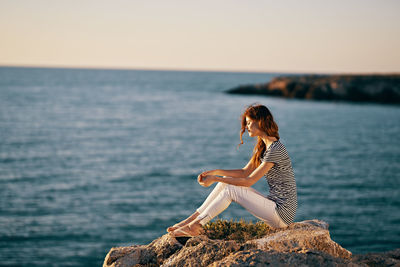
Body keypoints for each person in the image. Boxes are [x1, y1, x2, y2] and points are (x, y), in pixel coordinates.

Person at [168, 104, 297, 237]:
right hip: (274, 207)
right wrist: (216, 173)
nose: (246, 127)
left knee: (231, 190)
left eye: (248, 123)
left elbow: (249, 181)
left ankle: (196, 226)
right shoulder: (264, 147)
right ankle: (190, 221)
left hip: (281, 213)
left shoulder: (275, 150)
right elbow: (244, 172)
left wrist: (214, 179)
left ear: (260, 122)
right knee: (225, 182)